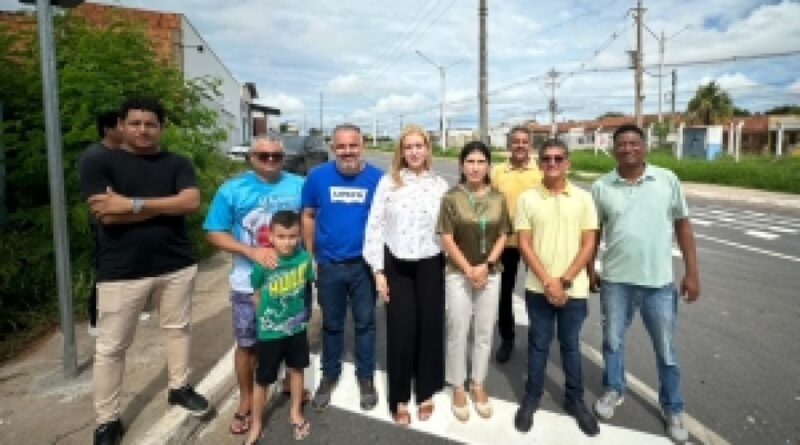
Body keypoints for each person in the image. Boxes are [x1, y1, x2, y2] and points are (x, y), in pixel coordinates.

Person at [79, 97, 209, 445]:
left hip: (176, 263)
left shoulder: (177, 162)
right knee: (111, 348)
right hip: (122, 269)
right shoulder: (99, 162)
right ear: (121, 125)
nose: (143, 130)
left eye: (150, 124)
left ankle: (178, 387)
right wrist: (167, 206)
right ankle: (107, 421)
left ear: (161, 128)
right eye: (135, 123)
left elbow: (192, 202)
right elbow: (105, 214)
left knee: (178, 329)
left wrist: (131, 204)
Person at [589, 123, 700, 443]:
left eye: (633, 143)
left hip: (659, 284)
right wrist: (589, 269)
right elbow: (593, 233)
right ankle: (613, 390)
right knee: (612, 342)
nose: (627, 148)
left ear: (644, 147)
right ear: (614, 150)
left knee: (666, 351)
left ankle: (673, 407)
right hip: (615, 282)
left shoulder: (667, 180)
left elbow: (683, 227)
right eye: (621, 144)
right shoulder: (601, 186)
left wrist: (692, 272)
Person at [203, 134, 304, 435]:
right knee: (248, 345)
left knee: (290, 337)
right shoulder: (232, 190)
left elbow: (312, 221)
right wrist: (251, 252)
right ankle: (246, 399)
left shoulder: (299, 185)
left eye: (276, 155)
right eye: (263, 155)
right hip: (249, 284)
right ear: (250, 158)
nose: (271, 160)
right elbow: (213, 232)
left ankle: (290, 383)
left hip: (292, 283)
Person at [512, 139, 599, 436]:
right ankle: (532, 396)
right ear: (539, 163)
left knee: (570, 346)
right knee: (538, 344)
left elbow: (589, 243)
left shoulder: (584, 199)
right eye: (546, 159)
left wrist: (563, 281)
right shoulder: (527, 199)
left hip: (573, 289)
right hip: (539, 288)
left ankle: (575, 400)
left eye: (558, 158)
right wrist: (549, 281)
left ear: (567, 163)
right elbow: (524, 243)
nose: (552, 163)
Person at [362, 125, 448, 426]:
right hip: (396, 264)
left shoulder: (439, 185)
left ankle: (426, 391)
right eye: (408, 146)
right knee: (400, 330)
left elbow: (447, 231)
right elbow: (374, 227)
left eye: (419, 146)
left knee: (429, 327)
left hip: (430, 263)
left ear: (427, 150)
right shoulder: (388, 184)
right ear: (401, 151)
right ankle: (399, 397)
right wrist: (378, 272)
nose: (414, 152)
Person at [301, 123, 383, 411]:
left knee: (365, 324)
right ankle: (329, 375)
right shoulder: (317, 177)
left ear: (362, 146)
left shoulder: (378, 179)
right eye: (341, 146)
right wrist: (310, 257)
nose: (347, 151)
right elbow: (308, 215)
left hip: (364, 266)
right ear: (333, 148)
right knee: (332, 325)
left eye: (353, 145)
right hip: (330, 265)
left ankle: (366, 377)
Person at [437, 141, 511, 422]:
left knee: (483, 332)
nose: (475, 167)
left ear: (488, 166)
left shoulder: (499, 198)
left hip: (491, 273)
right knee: (457, 329)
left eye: (481, 162)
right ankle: (457, 385)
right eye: (470, 162)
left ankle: (477, 383)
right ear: (461, 166)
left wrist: (487, 265)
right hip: (458, 273)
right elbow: (445, 236)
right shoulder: (451, 198)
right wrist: (469, 268)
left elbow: (504, 233)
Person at [244, 210, 314, 444]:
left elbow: (309, 284)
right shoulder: (264, 263)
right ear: (271, 237)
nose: (287, 242)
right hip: (270, 332)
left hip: (296, 329)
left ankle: (295, 412)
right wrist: (265, 319)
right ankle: (256, 423)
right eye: (281, 236)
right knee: (263, 379)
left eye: (293, 236)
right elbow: (255, 293)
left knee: (296, 370)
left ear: (299, 236)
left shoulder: (304, 259)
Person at [490, 125, 542, 364]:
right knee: (504, 294)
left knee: (536, 292)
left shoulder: (540, 170)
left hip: (535, 243)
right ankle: (507, 338)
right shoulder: (498, 171)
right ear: (509, 145)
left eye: (524, 141)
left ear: (530, 145)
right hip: (505, 242)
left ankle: (537, 340)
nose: (520, 145)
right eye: (515, 141)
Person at [78, 110, 123, 336]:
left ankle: (120, 311)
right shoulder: (95, 156)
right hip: (103, 222)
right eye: (121, 124)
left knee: (124, 267)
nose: (127, 129)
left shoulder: (119, 154)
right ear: (108, 129)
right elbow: (100, 199)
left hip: (125, 219)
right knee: (105, 268)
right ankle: (95, 319)